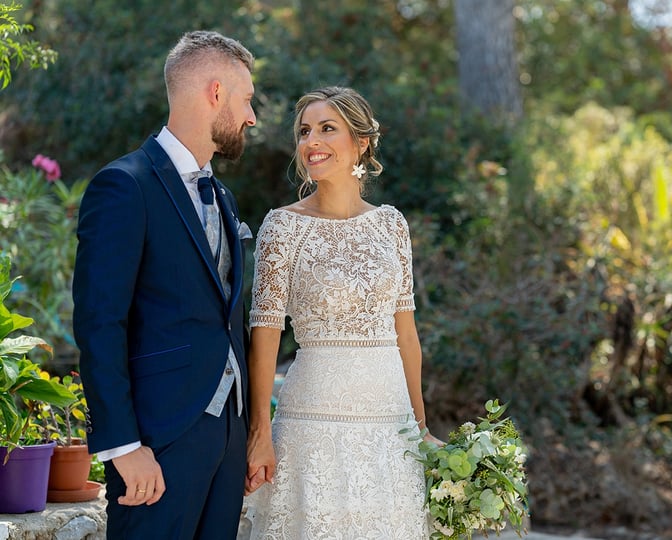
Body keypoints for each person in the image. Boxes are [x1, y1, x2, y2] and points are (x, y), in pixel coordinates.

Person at [72, 30, 256, 539]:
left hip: (226, 440)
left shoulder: (223, 196)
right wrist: (124, 446)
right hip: (156, 444)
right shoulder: (124, 185)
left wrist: (244, 434)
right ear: (215, 93)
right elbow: (99, 323)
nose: (251, 117)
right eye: (247, 99)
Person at [244, 86, 441, 538]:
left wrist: (421, 428)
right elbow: (265, 335)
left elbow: (406, 336)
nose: (311, 141)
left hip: (391, 428)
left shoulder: (392, 224)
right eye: (304, 131)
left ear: (361, 141)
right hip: (312, 426)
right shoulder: (282, 226)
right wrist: (260, 433)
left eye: (327, 128)